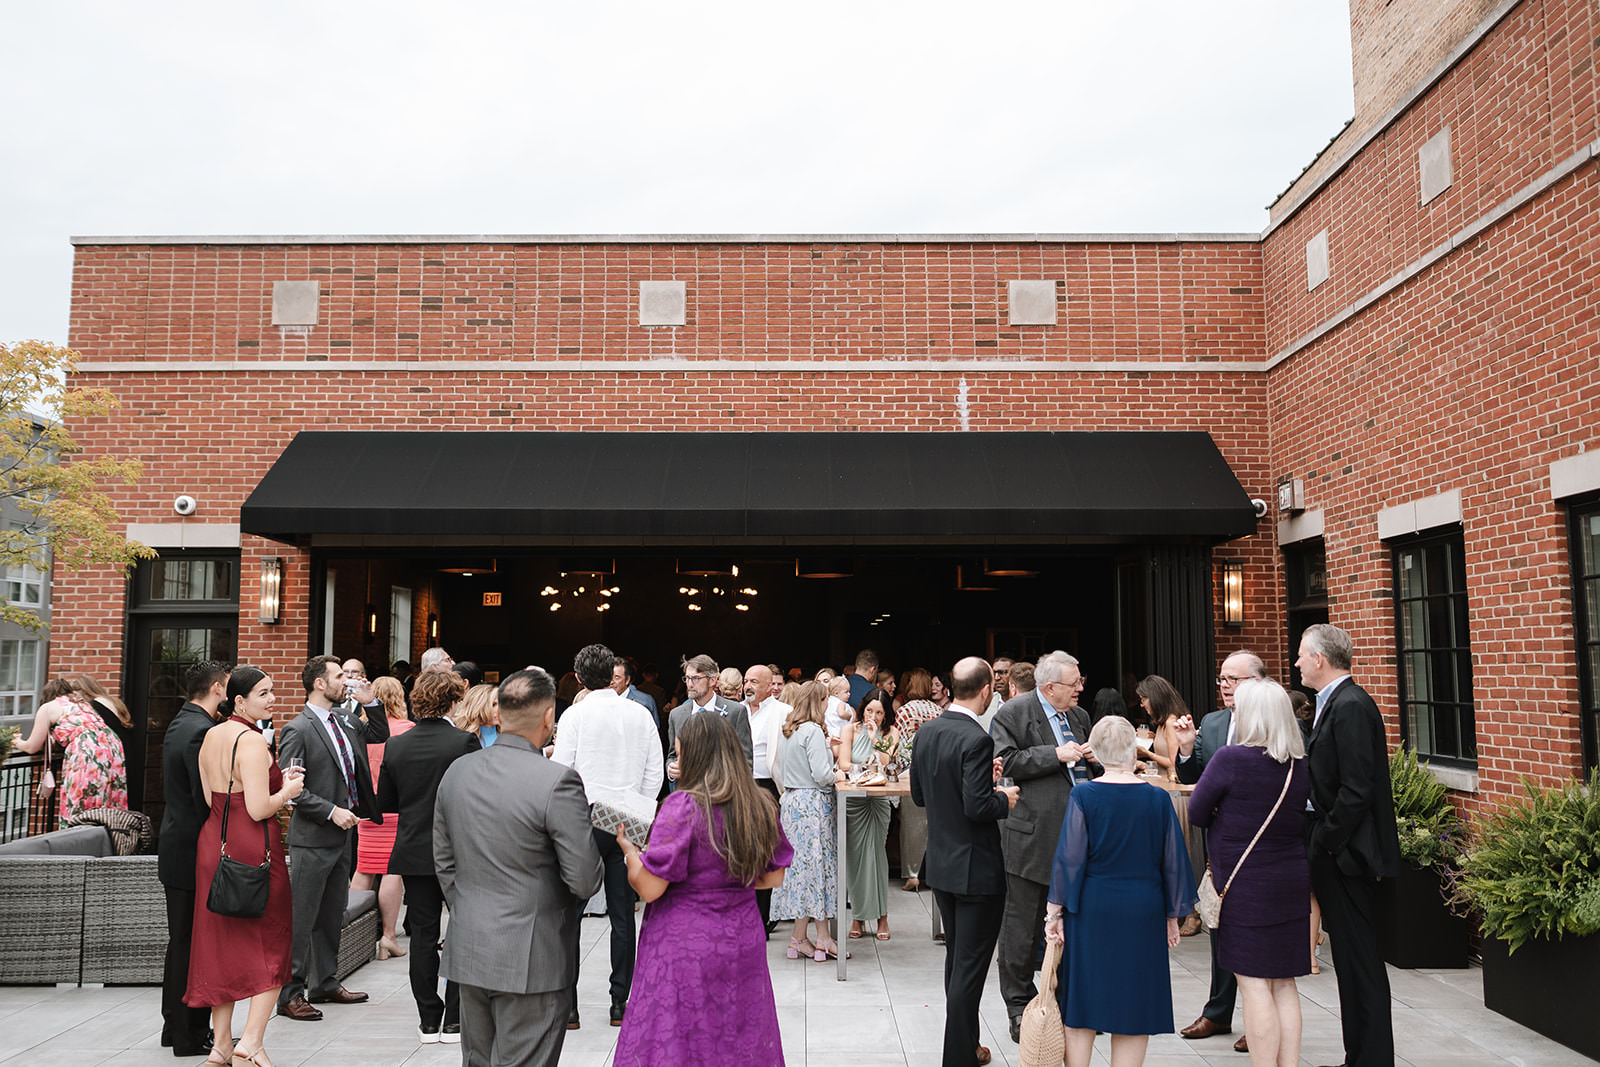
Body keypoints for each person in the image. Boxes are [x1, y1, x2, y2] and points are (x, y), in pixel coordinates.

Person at [435, 668, 603, 1067]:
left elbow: (444, 860)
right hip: (533, 953)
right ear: (548, 717)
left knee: (479, 1060)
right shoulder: (557, 781)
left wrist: (470, 907)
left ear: (498, 713)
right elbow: (584, 879)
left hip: (471, 942)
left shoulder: (458, 771)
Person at [612, 712, 793, 1066]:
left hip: (684, 943)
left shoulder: (682, 807)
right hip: (741, 937)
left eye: (680, 755)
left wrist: (631, 853)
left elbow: (650, 888)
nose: (679, 764)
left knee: (681, 1039)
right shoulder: (759, 805)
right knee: (738, 1034)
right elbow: (773, 878)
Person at [1043, 715, 1197, 1067]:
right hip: (1143, 908)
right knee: (1134, 1004)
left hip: (1093, 907)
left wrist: (1054, 913)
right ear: (1134, 751)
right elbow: (1173, 860)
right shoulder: (1157, 798)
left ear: (1095, 753)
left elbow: (1070, 859)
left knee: (1082, 1001)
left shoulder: (1084, 794)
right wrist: (1172, 916)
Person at [1188, 679, 1313, 1067]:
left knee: (1253, 982)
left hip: (1245, 884)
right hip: (1290, 879)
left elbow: (1196, 812)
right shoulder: (1298, 764)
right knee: (1284, 982)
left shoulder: (1230, 759)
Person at [186, 667, 305, 1067]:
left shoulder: (211, 735)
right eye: (263, 693)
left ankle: (221, 1045)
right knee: (273, 941)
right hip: (254, 847)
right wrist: (287, 790)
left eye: (272, 691)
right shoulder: (252, 740)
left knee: (220, 944)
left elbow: (211, 798)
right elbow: (257, 808)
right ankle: (250, 1042)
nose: (272, 699)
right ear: (239, 701)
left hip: (215, 843)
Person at [1296, 624, 1401, 1067]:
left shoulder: (1352, 705)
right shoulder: (1334, 702)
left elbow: (1357, 789)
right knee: (1350, 962)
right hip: (1339, 853)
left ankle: (1371, 1058)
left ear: (1320, 659)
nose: (1297, 663)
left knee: (1361, 962)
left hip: (1349, 857)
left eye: (1302, 655)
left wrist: (1326, 841)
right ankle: (1358, 1055)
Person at [910, 656, 1019, 1067]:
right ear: (987, 691)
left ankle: (968, 1046)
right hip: (976, 868)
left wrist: (982, 782)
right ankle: (957, 1057)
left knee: (958, 961)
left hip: (942, 862)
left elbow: (920, 795)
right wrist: (1003, 798)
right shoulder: (976, 738)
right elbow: (977, 808)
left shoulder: (927, 731)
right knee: (969, 970)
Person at [552, 643, 664, 1028]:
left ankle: (569, 1006)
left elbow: (562, 771)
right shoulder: (639, 713)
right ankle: (619, 1002)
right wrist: (638, 807)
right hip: (627, 815)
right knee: (622, 912)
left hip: (585, 815)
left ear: (578, 678)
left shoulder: (574, 715)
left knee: (570, 913)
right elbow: (655, 770)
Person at [276, 655, 388, 1022]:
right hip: (313, 837)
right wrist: (330, 811)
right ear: (319, 684)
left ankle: (324, 982)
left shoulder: (344, 719)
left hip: (344, 836)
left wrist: (371, 702)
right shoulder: (298, 729)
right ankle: (290, 994)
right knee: (302, 917)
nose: (346, 681)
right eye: (339, 676)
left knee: (331, 914)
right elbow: (292, 790)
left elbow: (379, 734)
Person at [990, 649, 1094, 1042]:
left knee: (1074, 924)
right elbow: (1004, 761)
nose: (1080, 688)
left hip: (1079, 837)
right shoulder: (1013, 713)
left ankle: (1069, 1003)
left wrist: (1095, 758)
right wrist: (1055, 754)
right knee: (1022, 928)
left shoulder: (1079, 717)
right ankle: (1019, 1007)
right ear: (1050, 687)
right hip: (1031, 837)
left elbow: (1083, 770)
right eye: (1074, 683)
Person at [376, 668, 479, 1044]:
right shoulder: (464, 742)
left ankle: (428, 1019)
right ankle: (454, 1019)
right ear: (453, 701)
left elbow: (386, 802)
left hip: (414, 848)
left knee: (422, 935)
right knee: (462, 932)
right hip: (459, 851)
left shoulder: (397, 745)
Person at [1172, 650, 1268, 1048]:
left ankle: (1260, 1022)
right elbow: (1192, 774)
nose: (1225, 687)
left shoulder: (1273, 723)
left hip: (1261, 844)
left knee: (1257, 934)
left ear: (1257, 682)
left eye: (1234, 679)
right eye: (1222, 680)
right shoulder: (1212, 723)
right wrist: (1185, 747)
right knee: (1220, 925)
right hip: (1220, 843)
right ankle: (1218, 1012)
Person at [157, 660, 228, 1059]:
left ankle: (174, 1027)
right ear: (217, 688)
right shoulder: (201, 731)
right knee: (191, 944)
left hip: (176, 844)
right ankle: (188, 1033)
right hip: (191, 849)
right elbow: (206, 797)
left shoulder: (181, 721)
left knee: (181, 941)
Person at [768, 680, 845, 962]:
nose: (828, 706)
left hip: (792, 802)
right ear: (818, 702)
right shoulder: (812, 730)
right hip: (812, 804)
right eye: (826, 700)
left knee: (802, 872)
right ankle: (822, 937)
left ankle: (799, 938)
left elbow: (777, 766)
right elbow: (822, 774)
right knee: (817, 869)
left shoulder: (790, 729)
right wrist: (837, 774)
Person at [352, 676, 413, 961]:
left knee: (364, 868)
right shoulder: (407, 730)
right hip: (397, 806)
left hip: (366, 807)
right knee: (392, 870)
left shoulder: (359, 730)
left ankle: (353, 934)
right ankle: (388, 936)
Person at [13, 680, 129, 822]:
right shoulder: (83, 704)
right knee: (108, 799)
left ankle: (80, 831)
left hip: (88, 749)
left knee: (81, 800)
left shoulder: (47, 707)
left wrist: (16, 741)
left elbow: (32, 747)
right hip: (112, 745)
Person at [838, 687, 895, 940]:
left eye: (879, 713)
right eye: (870, 710)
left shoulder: (891, 733)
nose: (873, 716)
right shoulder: (849, 730)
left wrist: (874, 740)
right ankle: (858, 917)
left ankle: (882, 917)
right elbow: (843, 763)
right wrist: (864, 769)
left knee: (877, 856)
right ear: (863, 708)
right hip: (854, 799)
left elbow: (886, 763)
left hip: (878, 800)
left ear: (886, 714)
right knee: (856, 859)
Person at [743, 663, 791, 933]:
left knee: (765, 851)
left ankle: (764, 917)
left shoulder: (783, 712)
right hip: (740, 786)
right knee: (743, 851)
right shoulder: (736, 711)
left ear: (768, 685)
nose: (748, 686)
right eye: (746, 681)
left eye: (754, 682)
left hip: (768, 787)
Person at [893, 668, 944, 893]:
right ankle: (933, 872)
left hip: (911, 773)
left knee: (911, 826)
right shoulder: (938, 711)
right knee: (933, 824)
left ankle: (912, 875)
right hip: (936, 772)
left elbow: (901, 745)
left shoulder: (904, 711)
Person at [667, 654, 753, 772]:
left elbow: (745, 761)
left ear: (713, 680)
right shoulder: (676, 715)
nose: (690, 684)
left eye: (696, 678)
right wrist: (671, 769)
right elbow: (672, 756)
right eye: (687, 678)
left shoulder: (735, 712)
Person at [452, 683, 500, 747]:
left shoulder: (509, 735)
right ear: (478, 707)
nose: (500, 709)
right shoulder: (460, 738)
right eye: (493, 705)